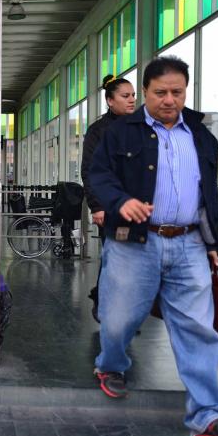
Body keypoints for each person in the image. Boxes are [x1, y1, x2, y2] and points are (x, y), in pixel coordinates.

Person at [88, 56, 218, 436]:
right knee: (118, 319)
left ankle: (208, 416)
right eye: (160, 92)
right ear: (145, 92)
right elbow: (97, 174)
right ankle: (111, 365)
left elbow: (208, 194)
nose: (170, 99)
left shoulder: (201, 135)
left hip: (189, 243)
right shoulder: (120, 132)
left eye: (177, 91)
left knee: (198, 329)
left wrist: (211, 242)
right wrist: (120, 201)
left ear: (186, 91)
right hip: (134, 241)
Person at [82, 75, 136, 322]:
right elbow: (90, 170)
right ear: (110, 101)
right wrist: (97, 206)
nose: (132, 100)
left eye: (133, 95)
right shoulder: (98, 132)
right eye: (125, 96)